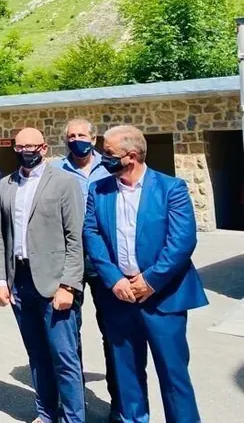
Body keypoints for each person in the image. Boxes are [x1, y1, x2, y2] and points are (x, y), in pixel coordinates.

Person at [83, 125, 208, 423]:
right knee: (127, 374)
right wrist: (114, 279)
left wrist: (150, 281)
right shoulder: (98, 190)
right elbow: (92, 234)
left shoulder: (170, 188)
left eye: (109, 153)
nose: (103, 157)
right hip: (118, 297)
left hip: (163, 297)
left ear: (132, 156)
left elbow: (182, 241)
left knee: (173, 374)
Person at [0, 127, 85, 423]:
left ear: (44, 148)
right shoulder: (6, 184)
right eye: (20, 147)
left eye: (32, 146)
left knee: (65, 358)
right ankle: (46, 414)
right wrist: (0, 280)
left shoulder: (64, 182)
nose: (26, 152)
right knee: (37, 355)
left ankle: (73, 418)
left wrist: (69, 285)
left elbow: (76, 238)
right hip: (20, 281)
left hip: (54, 282)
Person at [55, 118, 121, 422]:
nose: (76, 139)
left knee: (114, 335)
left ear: (93, 139)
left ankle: (119, 403)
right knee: (68, 335)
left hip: (105, 260)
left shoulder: (109, 167)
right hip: (69, 262)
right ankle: (71, 403)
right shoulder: (55, 170)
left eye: (81, 135)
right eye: (71, 136)